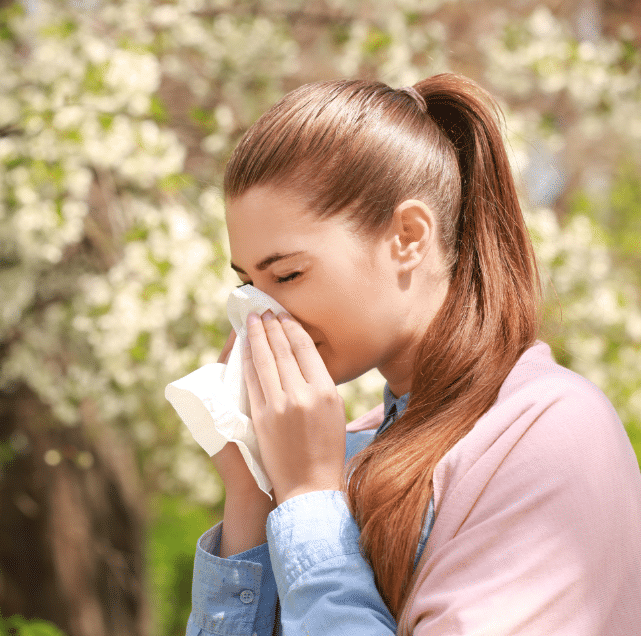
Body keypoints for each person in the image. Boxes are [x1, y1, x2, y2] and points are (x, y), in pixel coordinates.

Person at [185, 73, 641, 635]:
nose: (261, 314)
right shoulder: (347, 451)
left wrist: (307, 498)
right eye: (249, 283)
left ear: (408, 237)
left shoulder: (549, 434)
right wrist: (253, 493)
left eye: (287, 274)